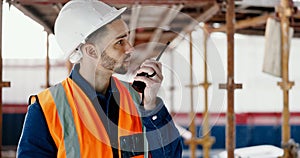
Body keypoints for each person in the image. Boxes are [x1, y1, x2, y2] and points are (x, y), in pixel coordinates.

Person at [17, 0, 183, 157]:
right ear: (91, 51)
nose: (130, 48)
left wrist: (152, 107)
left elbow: (171, 156)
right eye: (119, 42)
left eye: (127, 38)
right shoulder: (46, 109)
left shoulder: (139, 98)